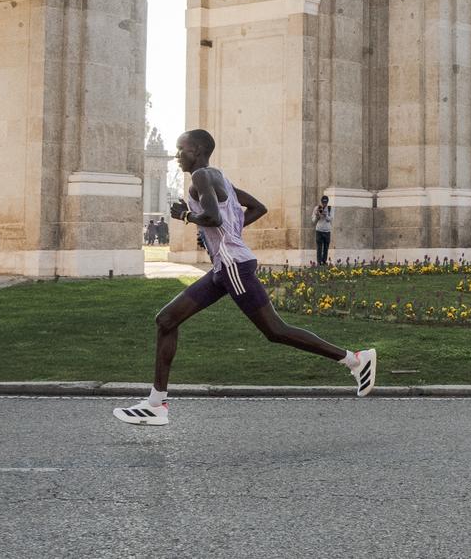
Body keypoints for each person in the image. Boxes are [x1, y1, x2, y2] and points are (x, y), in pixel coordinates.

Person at [112, 129, 376, 427]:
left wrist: (186, 217)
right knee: (166, 320)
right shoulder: (218, 177)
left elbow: (214, 218)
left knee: (275, 330)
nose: (176, 155)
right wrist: (224, 233)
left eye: (181, 149)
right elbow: (256, 208)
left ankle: (355, 360)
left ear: (197, 150)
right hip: (223, 268)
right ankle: (156, 404)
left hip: (233, 267)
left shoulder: (200, 177)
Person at [312, 195, 334, 266]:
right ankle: (319, 262)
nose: (324, 204)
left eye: (325, 202)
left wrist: (325, 215)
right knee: (319, 247)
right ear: (321, 202)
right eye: (323, 202)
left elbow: (330, 219)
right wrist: (317, 216)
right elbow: (313, 220)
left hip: (327, 231)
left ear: (327, 202)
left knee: (326, 247)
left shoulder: (330, 209)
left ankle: (324, 262)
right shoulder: (317, 208)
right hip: (319, 230)